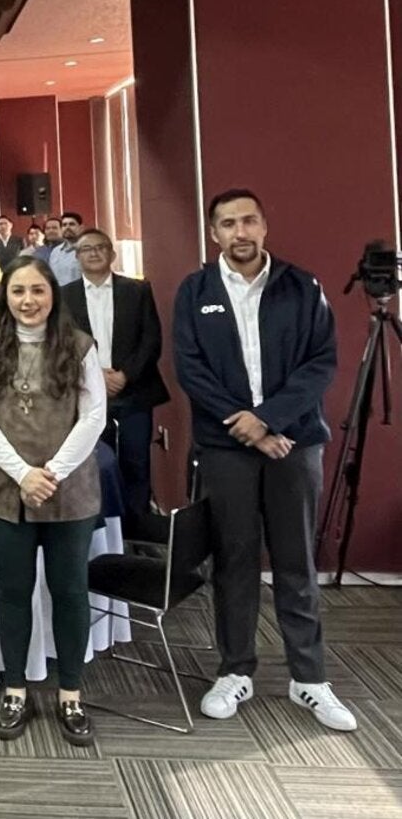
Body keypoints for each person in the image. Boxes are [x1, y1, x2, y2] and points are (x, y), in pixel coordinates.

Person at [174, 188, 355, 732]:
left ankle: (309, 677)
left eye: (249, 220)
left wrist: (270, 420)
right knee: (233, 561)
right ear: (214, 234)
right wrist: (249, 428)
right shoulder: (195, 291)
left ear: (264, 225)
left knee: (297, 562)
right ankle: (235, 670)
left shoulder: (302, 287)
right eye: (228, 224)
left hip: (294, 445)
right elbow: (191, 368)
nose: (240, 232)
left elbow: (320, 363)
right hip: (228, 447)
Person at [0, 254, 106, 747]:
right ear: (5, 297)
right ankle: (15, 689)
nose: (28, 301)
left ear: (53, 295)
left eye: (38, 291)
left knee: (70, 591)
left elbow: (93, 418)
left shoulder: (79, 345)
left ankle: (70, 692)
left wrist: (51, 473)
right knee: (13, 591)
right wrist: (25, 474)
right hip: (8, 490)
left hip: (70, 490)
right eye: (19, 292)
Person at [60, 229, 169, 516]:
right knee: (95, 464)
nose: (94, 253)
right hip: (87, 395)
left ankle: (137, 530)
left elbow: (151, 339)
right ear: (77, 256)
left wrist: (125, 375)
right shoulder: (63, 296)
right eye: (86, 249)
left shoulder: (138, 290)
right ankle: (104, 529)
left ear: (112, 253)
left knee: (137, 463)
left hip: (134, 391)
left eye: (100, 247)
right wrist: (95, 375)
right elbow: (61, 346)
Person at [48, 212, 85, 285]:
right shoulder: (55, 252)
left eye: (72, 224)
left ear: (81, 228)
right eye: (64, 225)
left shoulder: (87, 250)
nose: (67, 227)